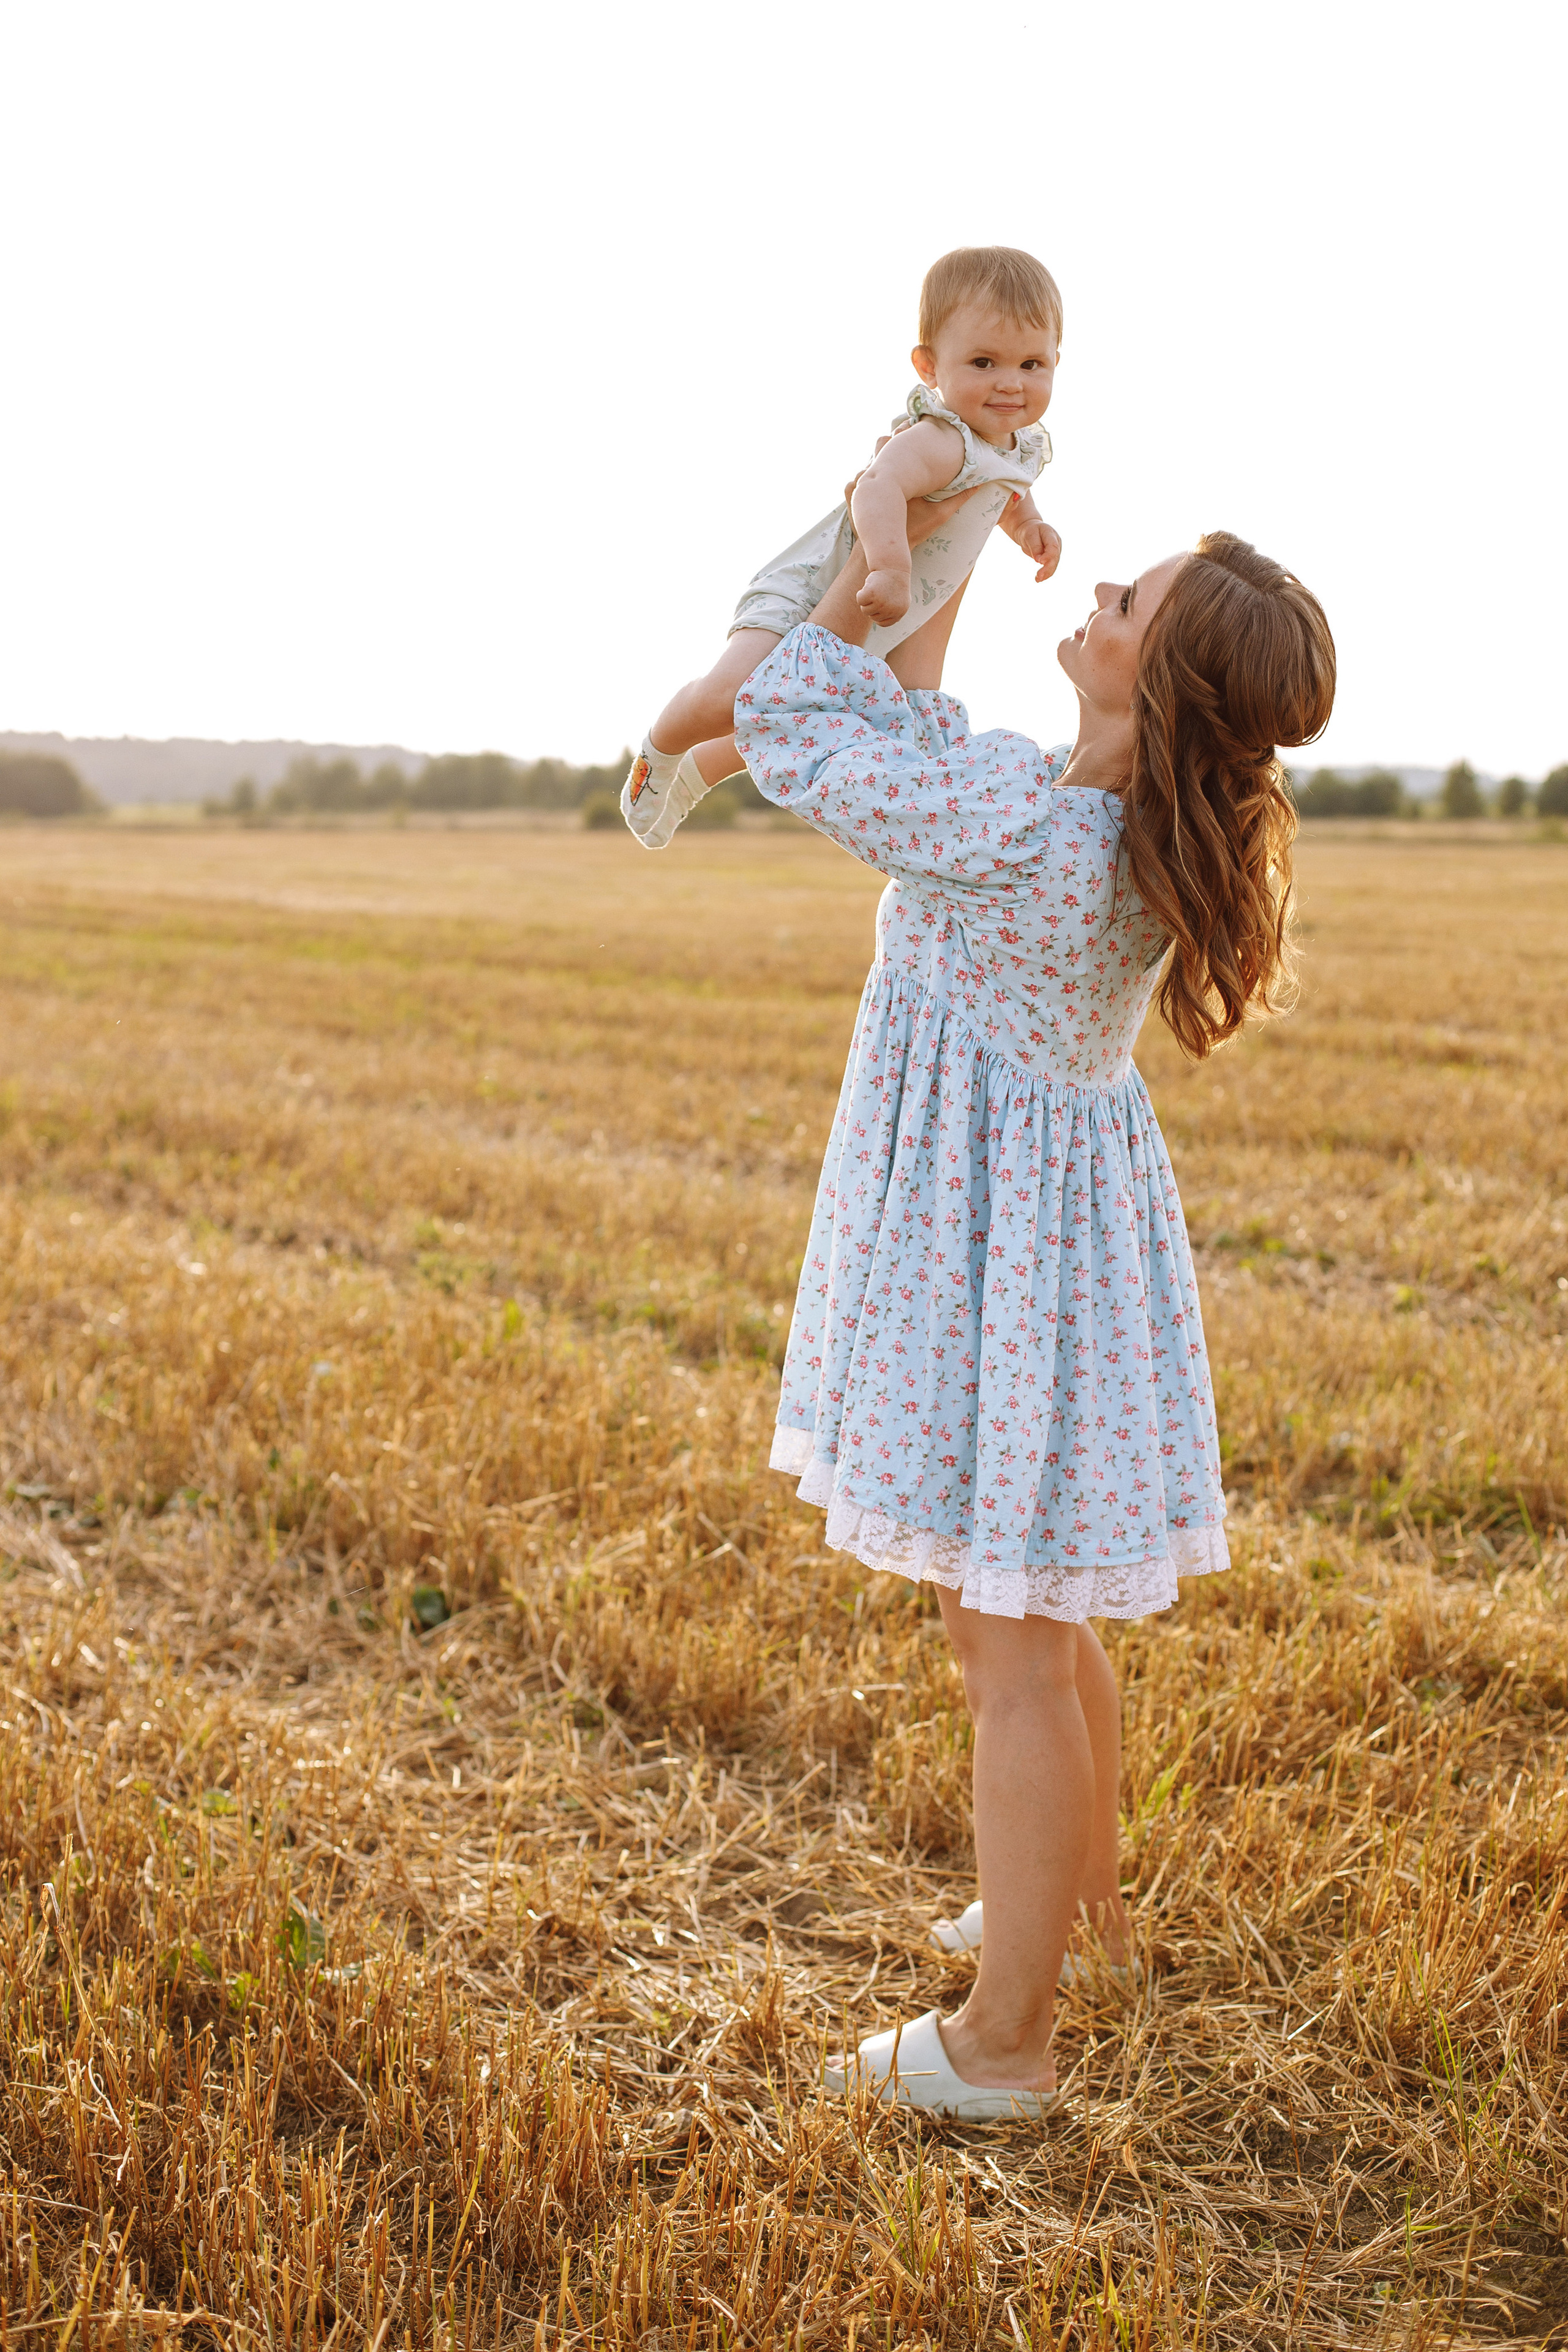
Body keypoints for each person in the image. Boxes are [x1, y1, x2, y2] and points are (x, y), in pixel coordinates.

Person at [654, 512, 1334, 2117]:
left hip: (997, 1266)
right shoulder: (1089, 827)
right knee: (1039, 1612)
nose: (1098, 594)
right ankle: (1077, 1923)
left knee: (1004, 1642)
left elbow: (800, 722)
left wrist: (858, 575)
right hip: (1059, 1258)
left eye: (1129, 601)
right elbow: (916, 730)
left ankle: (1005, 2042)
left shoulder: (1021, 825)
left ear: (1155, 678)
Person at [620, 246, 1065, 850]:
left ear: (1056, 362)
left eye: (1032, 364)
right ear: (930, 368)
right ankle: (661, 752)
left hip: (890, 610)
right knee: (731, 695)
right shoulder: (940, 439)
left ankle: (698, 774)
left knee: (804, 718)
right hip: (818, 587)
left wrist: (1031, 528)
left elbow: (1008, 491)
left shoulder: (1022, 444)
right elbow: (877, 486)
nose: (1010, 383)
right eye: (984, 362)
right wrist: (888, 564)